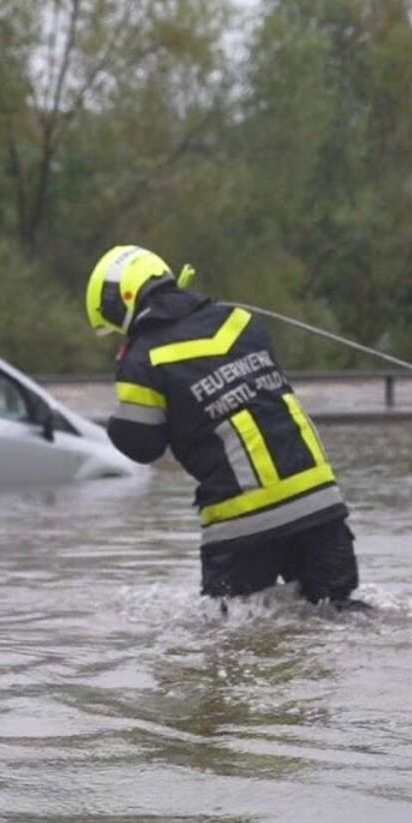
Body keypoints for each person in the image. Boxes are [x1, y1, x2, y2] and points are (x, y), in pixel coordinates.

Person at [84, 244, 363, 608]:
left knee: (230, 639)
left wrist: (118, 407)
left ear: (121, 302)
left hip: (243, 523)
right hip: (320, 503)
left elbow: (141, 445)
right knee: (336, 614)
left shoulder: (143, 357)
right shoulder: (241, 320)